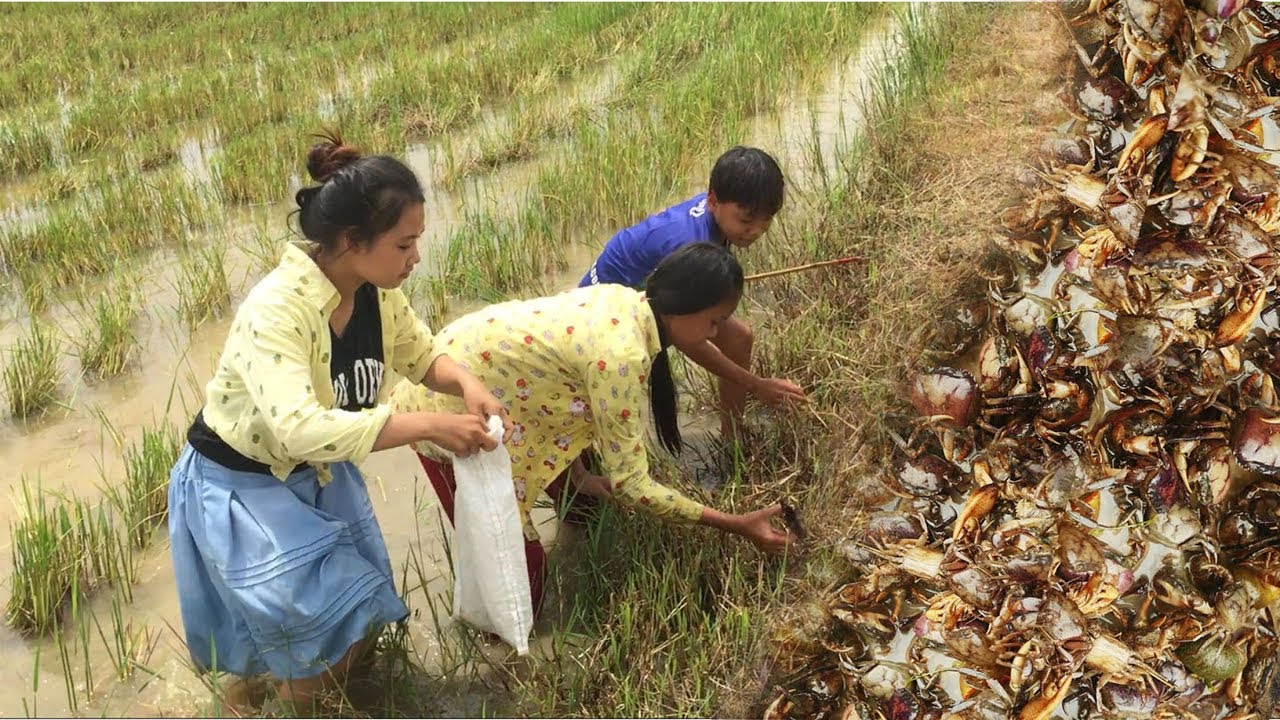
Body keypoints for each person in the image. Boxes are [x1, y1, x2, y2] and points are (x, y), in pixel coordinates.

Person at [167, 133, 510, 714]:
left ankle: (266, 700)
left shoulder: (376, 292)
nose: (415, 258)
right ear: (353, 241)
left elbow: (421, 355)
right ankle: (266, 704)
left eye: (418, 241)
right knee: (311, 646)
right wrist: (427, 424)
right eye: (405, 244)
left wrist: (466, 384)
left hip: (319, 473)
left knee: (354, 619)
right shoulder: (278, 309)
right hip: (248, 485)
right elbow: (300, 428)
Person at [391, 242, 795, 618]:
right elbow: (633, 485)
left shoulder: (630, 301)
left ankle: (570, 493)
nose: (713, 333)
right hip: (447, 412)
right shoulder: (621, 356)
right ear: (682, 309)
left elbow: (551, 387)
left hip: (506, 393)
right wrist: (735, 524)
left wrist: (581, 476)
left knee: (586, 509)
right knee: (517, 581)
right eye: (714, 321)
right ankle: (503, 661)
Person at [578, 146, 807, 442]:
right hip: (599, 316)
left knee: (739, 338)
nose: (755, 231)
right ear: (713, 200)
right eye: (746, 220)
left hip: (642, 298)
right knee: (590, 412)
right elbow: (689, 338)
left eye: (765, 221)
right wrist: (756, 384)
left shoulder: (713, 216)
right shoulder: (689, 241)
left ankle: (732, 436)